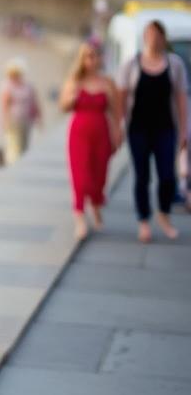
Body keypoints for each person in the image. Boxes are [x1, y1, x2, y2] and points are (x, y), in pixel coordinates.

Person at [117, 20, 189, 242]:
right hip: (138, 127)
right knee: (142, 176)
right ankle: (144, 220)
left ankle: (164, 214)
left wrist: (185, 129)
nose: (153, 39)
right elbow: (121, 95)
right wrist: (119, 125)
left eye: (157, 35)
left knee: (167, 175)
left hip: (165, 128)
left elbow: (180, 97)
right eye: (149, 34)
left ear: (163, 38)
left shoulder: (174, 64)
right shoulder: (132, 63)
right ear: (144, 37)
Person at [59, 40, 121, 240]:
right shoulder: (74, 81)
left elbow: (115, 112)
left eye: (95, 56)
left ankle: (95, 206)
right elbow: (64, 106)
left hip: (101, 134)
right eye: (88, 56)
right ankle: (79, 217)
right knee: (80, 177)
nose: (92, 60)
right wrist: (72, 97)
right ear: (82, 59)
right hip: (79, 135)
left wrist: (117, 134)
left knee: (99, 176)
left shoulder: (107, 82)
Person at [0, 58, 42, 165]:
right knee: (14, 147)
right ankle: (13, 167)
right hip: (14, 120)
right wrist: (5, 121)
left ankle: (21, 165)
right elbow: (5, 106)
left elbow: (35, 102)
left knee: (24, 146)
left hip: (26, 120)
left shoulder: (28, 86)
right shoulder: (8, 87)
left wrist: (39, 117)